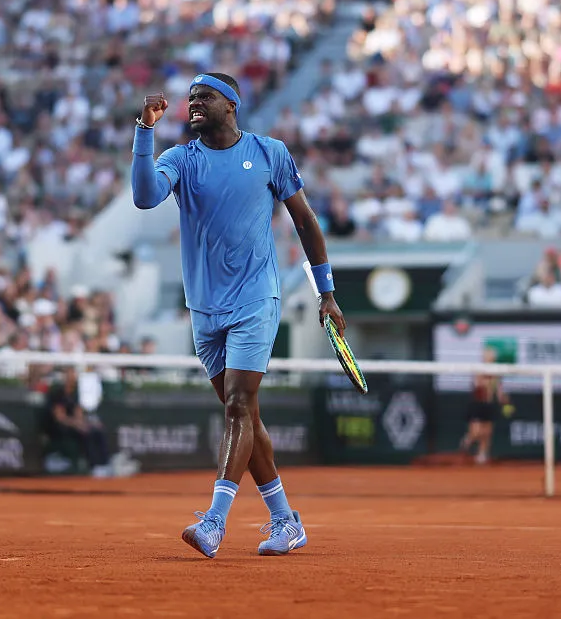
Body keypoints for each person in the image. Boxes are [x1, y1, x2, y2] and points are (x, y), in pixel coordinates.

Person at [130, 73, 347, 558]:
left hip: (256, 297)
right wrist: (144, 131)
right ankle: (286, 520)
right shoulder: (179, 158)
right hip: (203, 308)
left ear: (231, 104)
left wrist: (326, 293)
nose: (193, 103)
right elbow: (144, 197)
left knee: (237, 405)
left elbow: (305, 221)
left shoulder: (270, 152)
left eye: (204, 96)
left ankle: (214, 521)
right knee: (245, 415)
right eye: (190, 98)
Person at [43, 367, 112, 477]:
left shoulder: (75, 394)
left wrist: (85, 424)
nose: (72, 378)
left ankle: (104, 464)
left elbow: (78, 413)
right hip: (58, 428)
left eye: (74, 375)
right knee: (86, 434)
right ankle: (93, 466)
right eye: (70, 375)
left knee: (97, 431)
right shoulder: (57, 394)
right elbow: (60, 418)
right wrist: (77, 425)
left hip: (73, 426)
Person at [459, 347, 512, 464]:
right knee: (476, 432)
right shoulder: (479, 370)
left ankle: (482, 455)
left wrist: (504, 401)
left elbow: (499, 390)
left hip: (489, 404)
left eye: (492, 356)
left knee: (487, 432)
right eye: (488, 356)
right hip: (477, 403)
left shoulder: (497, 373)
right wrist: (489, 380)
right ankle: (467, 442)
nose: (490, 358)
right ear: (484, 358)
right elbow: (478, 386)